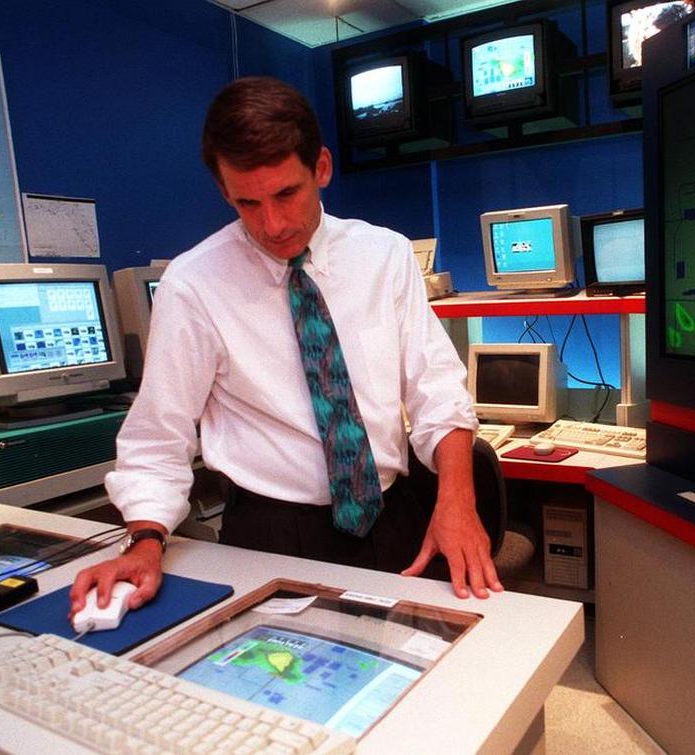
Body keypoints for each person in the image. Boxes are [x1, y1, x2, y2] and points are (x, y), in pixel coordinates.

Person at [70, 76, 501, 619]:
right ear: (224, 191)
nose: (272, 225)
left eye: (286, 194)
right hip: (273, 535)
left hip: (394, 517)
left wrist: (456, 500)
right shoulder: (194, 283)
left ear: (320, 168)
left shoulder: (384, 255)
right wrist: (145, 541)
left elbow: (435, 388)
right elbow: (159, 434)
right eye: (247, 203)